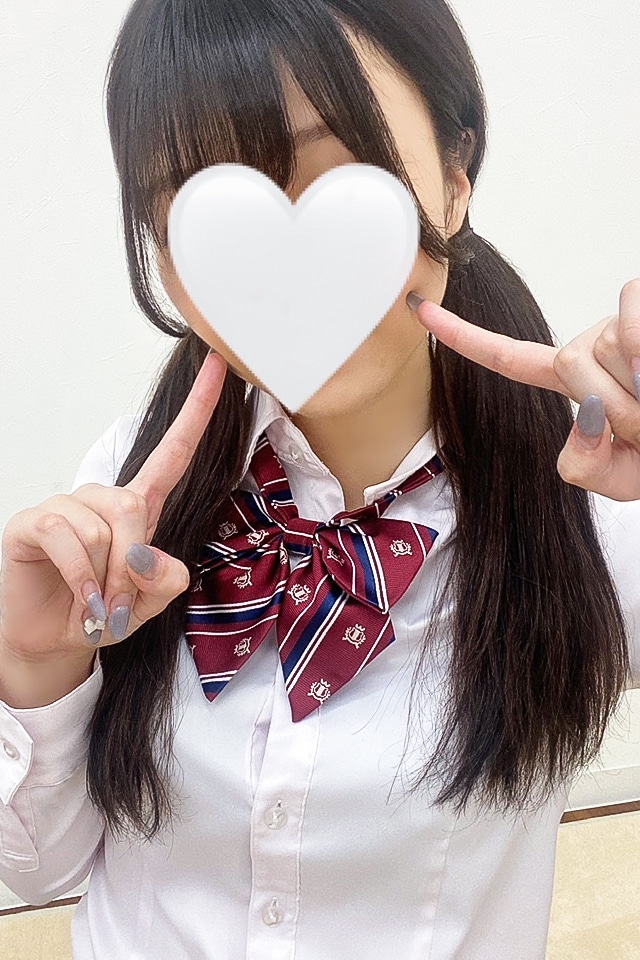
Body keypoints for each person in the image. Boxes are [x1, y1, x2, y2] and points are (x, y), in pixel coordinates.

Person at [0, 1, 639, 957]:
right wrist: (36, 668)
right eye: (207, 212)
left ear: (454, 177)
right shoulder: (129, 491)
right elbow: (38, 871)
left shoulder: (590, 502)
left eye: (340, 175)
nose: (285, 273)